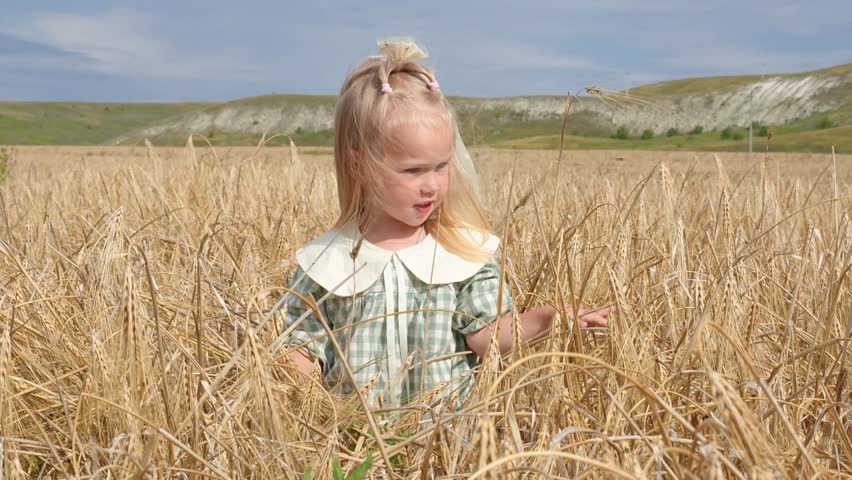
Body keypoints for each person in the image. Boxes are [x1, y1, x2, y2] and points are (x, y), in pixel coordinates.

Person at [278, 38, 610, 409]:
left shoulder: (460, 254)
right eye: (413, 170)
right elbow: (302, 351)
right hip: (356, 446)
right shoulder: (326, 262)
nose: (432, 184)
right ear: (358, 166)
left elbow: (485, 338)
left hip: (442, 443)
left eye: (441, 167)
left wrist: (548, 319)